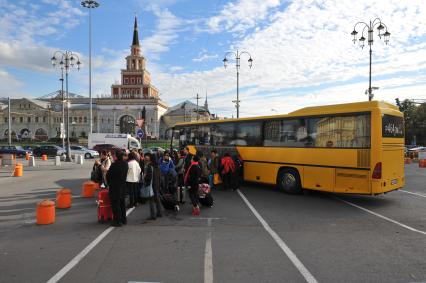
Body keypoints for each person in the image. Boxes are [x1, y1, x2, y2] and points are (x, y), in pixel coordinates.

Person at [106, 150, 128, 227]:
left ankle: (117, 221)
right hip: (123, 186)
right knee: (122, 204)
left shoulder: (114, 165)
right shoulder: (125, 164)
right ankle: (124, 219)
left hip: (115, 187)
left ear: (116, 156)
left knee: (116, 205)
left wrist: (108, 183)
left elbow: (108, 176)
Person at [144, 153, 162, 220]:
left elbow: (148, 177)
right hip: (157, 184)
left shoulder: (150, 166)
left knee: (151, 200)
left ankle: (153, 215)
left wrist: (145, 178)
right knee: (157, 199)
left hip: (151, 185)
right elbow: (160, 177)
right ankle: (159, 212)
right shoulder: (157, 166)